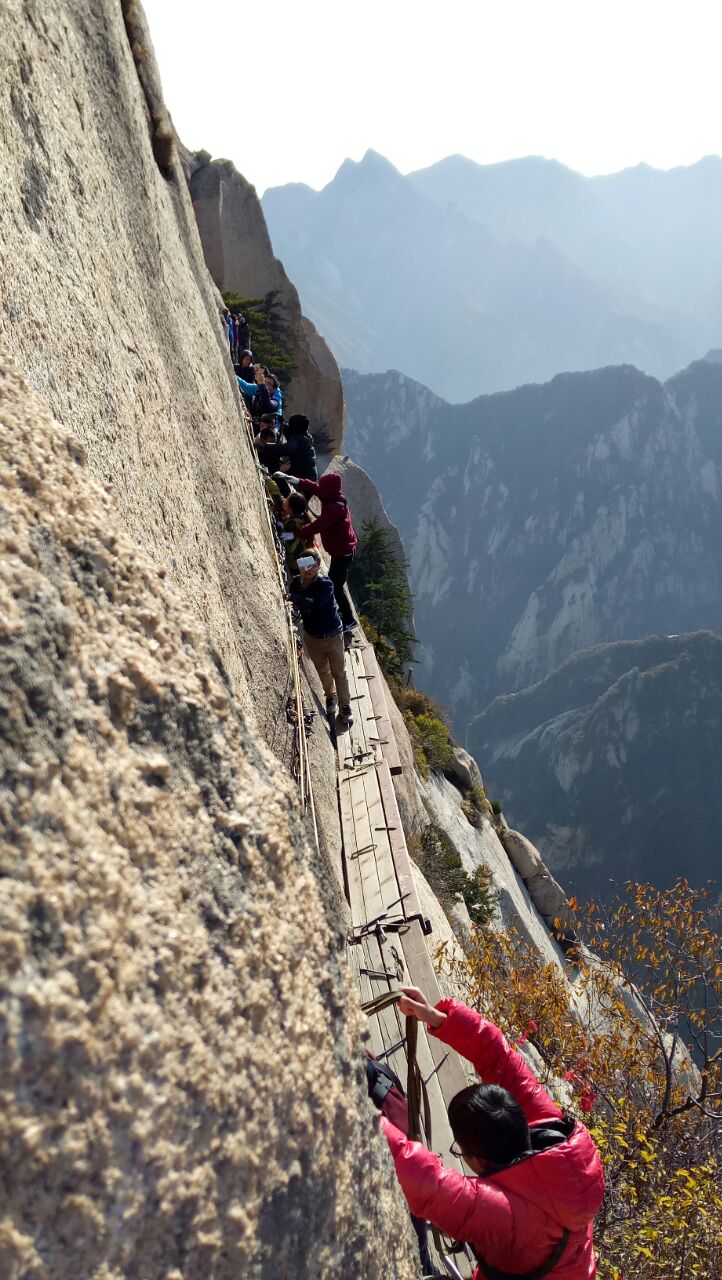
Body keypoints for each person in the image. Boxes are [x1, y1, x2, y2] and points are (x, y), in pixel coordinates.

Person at [379, 988, 605, 1280]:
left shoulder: (508, 1216)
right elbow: (501, 1059)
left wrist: (361, 1113)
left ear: (478, 1160)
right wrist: (437, 1017)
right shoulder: (557, 1138)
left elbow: (429, 1184)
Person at [289, 550, 354, 726]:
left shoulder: (325, 584)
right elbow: (296, 605)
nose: (308, 569)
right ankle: (330, 697)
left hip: (333, 635)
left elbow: (315, 603)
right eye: (305, 564)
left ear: (318, 567)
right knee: (322, 670)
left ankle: (345, 706)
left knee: (339, 672)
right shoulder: (296, 583)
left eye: (312, 565)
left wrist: (294, 598)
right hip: (312, 636)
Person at [292, 473, 358, 636]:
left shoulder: (334, 509)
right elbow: (317, 488)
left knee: (336, 586)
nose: (321, 489)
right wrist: (298, 480)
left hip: (343, 554)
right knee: (335, 582)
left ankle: (349, 621)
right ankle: (345, 616)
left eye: (324, 487)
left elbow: (318, 526)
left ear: (329, 489)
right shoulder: (332, 495)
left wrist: (295, 534)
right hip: (341, 551)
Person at [259, 413, 318, 482]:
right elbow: (289, 430)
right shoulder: (303, 434)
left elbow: (287, 449)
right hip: (306, 476)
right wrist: (282, 422)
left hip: (304, 479)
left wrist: (268, 446)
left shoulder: (299, 439)